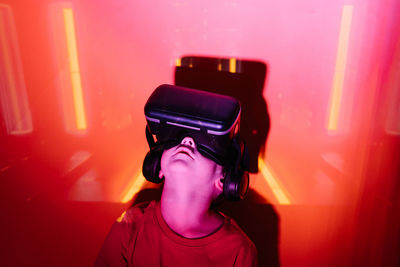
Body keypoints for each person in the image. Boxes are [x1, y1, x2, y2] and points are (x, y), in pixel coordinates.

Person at [95, 85, 258, 266]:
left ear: (224, 180)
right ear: (157, 167)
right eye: (176, 137)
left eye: (206, 144)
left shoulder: (238, 251)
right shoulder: (130, 226)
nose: (186, 140)